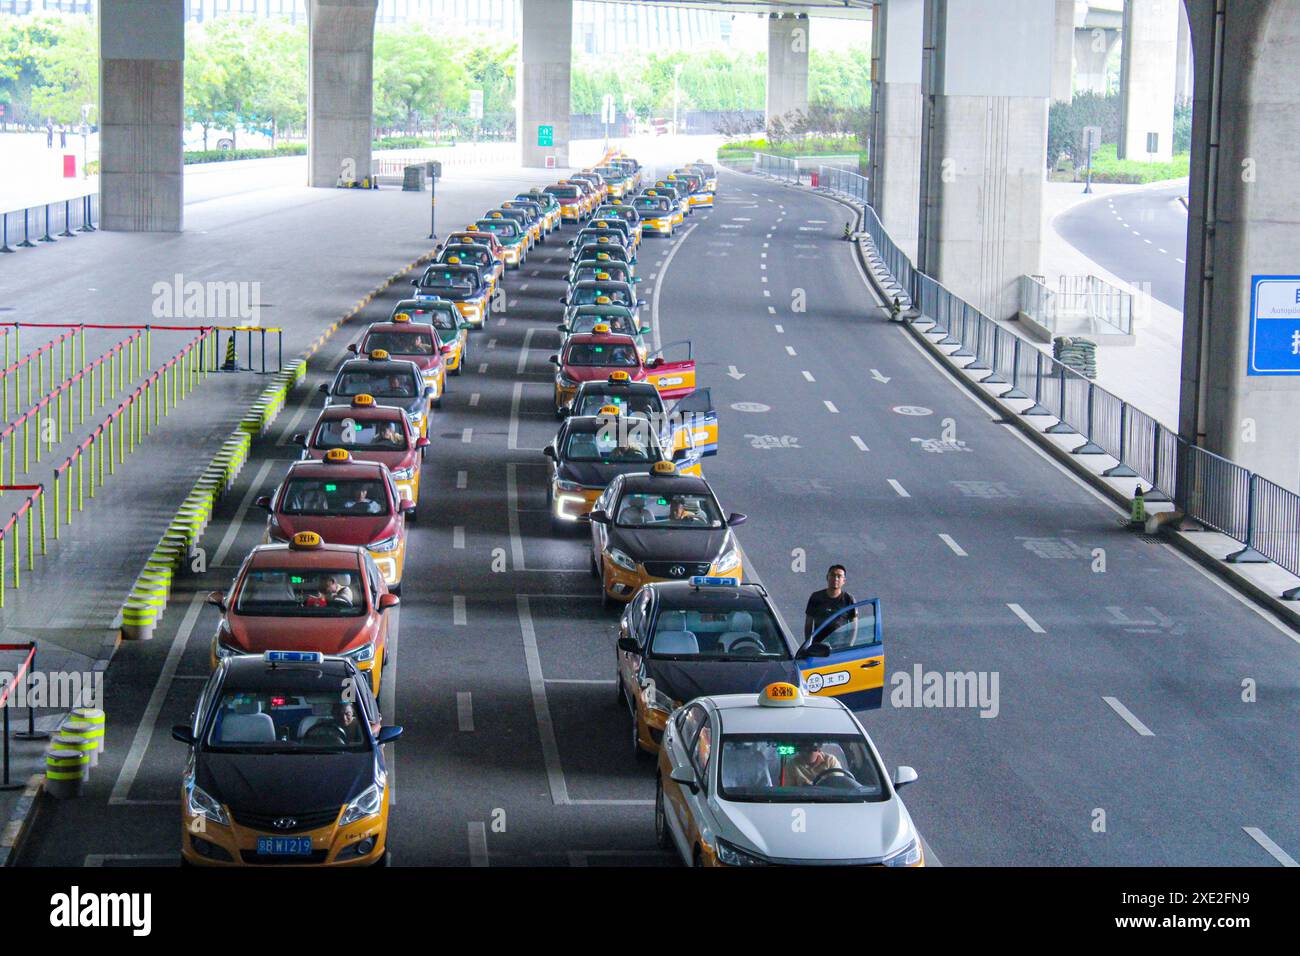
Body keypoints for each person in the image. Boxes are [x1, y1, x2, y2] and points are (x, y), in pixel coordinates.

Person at [804, 564, 857, 643]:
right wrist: (808, 643)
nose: (835, 579)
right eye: (833, 575)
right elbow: (808, 623)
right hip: (818, 647)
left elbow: (854, 625)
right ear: (827, 577)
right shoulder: (816, 597)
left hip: (840, 648)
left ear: (844, 581)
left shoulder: (849, 599)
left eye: (839, 576)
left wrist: (850, 644)